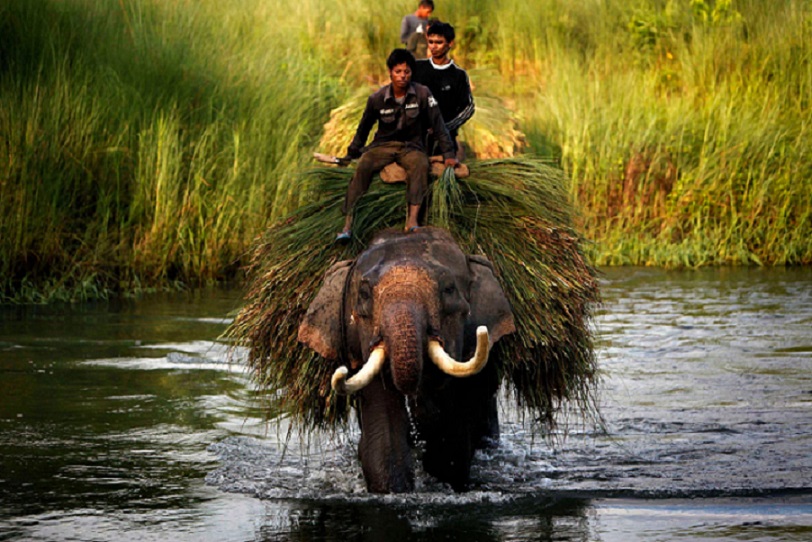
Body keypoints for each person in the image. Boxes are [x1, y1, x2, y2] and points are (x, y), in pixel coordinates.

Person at [337, 48, 458, 242]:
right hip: (382, 146)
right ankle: (348, 224)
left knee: (420, 165)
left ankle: (412, 220)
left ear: (411, 73)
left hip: (411, 147)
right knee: (364, 166)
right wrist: (352, 153)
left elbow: (438, 124)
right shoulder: (376, 98)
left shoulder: (422, 94)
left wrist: (449, 153)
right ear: (390, 73)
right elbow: (363, 129)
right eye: (398, 72)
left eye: (406, 72)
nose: (402, 76)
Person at [412, 21, 474, 159]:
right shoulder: (417, 68)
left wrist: (443, 128)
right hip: (415, 139)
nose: (434, 46)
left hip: (444, 142)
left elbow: (468, 108)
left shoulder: (458, 75)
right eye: (431, 42)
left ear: (450, 43)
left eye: (439, 42)